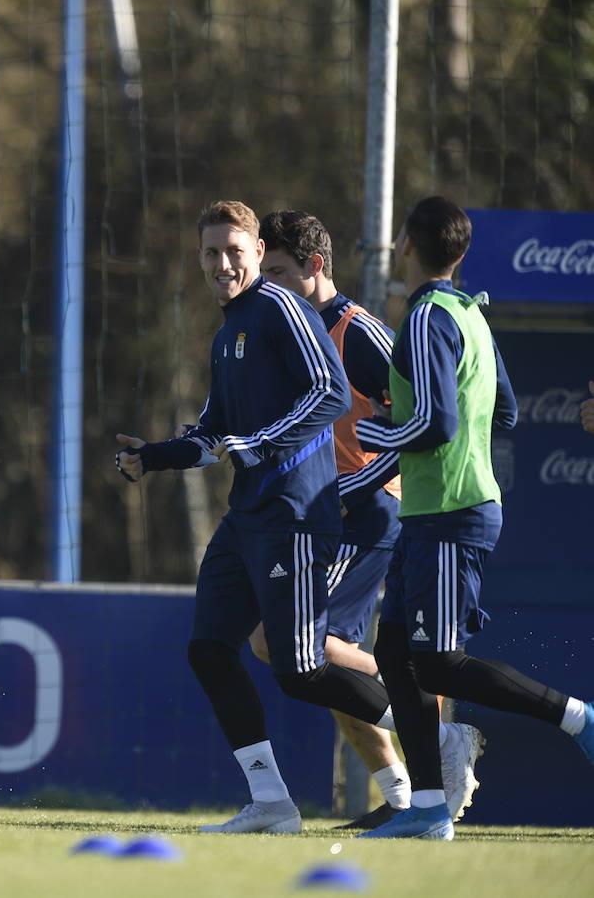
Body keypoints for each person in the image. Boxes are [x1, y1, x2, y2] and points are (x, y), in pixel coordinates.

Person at [115, 200, 406, 835]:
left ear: (254, 254)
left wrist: (264, 443)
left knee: (299, 670)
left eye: (235, 252)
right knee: (209, 651)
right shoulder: (228, 331)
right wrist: (155, 457)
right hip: (246, 517)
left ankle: (428, 734)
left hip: (293, 517)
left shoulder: (278, 306)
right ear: (198, 258)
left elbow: (330, 392)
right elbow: (215, 431)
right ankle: (271, 802)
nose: (223, 263)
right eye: (211, 253)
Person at [354, 196, 594, 839]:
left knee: (437, 664)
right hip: (438, 509)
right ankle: (430, 809)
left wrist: (383, 434)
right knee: (396, 653)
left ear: (406, 243)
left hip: (450, 512)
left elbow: (434, 423)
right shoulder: (470, 312)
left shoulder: (428, 315)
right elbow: (505, 412)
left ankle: (580, 719)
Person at [251, 210, 482, 830]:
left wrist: (360, 484)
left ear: (315, 267)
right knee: (324, 670)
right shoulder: (281, 331)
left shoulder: (362, 334)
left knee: (284, 641)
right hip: (322, 516)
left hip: (371, 512)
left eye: (275, 272)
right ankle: (407, 797)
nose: (264, 284)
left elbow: (425, 420)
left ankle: (434, 732)